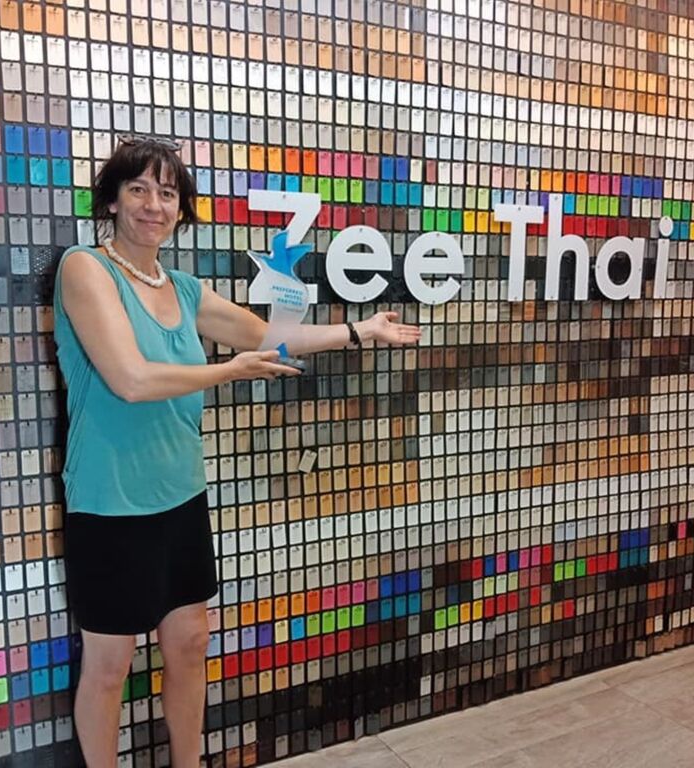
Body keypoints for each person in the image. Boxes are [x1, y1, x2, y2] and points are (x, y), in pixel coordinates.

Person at [53, 134, 421, 768]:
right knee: (110, 663)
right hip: (110, 499)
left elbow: (263, 335)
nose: (153, 205)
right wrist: (228, 371)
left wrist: (359, 331)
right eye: (138, 189)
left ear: (181, 209)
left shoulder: (182, 288)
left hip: (180, 493)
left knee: (190, 642)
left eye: (167, 193)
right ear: (111, 201)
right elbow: (131, 379)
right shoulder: (85, 268)